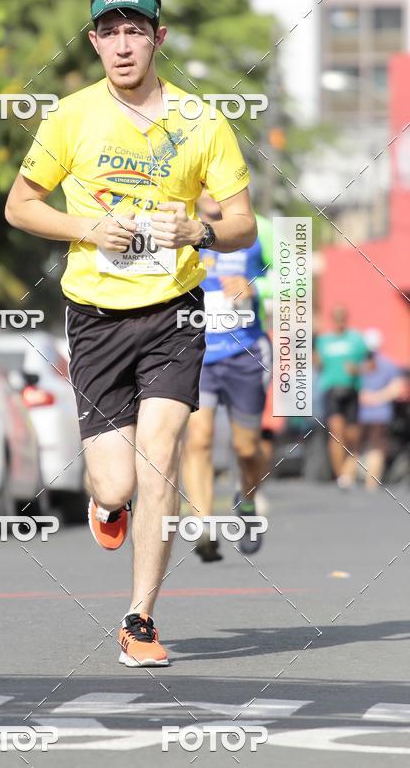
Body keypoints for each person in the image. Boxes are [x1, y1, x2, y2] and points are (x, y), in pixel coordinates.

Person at [5, 0, 257, 667]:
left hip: (175, 313)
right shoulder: (70, 117)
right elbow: (19, 206)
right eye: (109, 32)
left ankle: (140, 619)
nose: (122, 45)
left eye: (135, 31)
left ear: (158, 38)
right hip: (96, 317)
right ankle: (107, 505)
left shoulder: (202, 122)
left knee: (161, 458)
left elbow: (242, 222)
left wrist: (199, 232)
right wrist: (87, 227)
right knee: (116, 483)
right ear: (94, 42)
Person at [182, 192, 273, 562]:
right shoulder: (180, 223)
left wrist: (255, 286)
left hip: (246, 353)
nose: (211, 193)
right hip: (199, 351)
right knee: (198, 438)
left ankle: (247, 504)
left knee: (246, 449)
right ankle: (203, 524)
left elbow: (296, 279)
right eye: (204, 184)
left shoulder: (259, 226)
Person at [314, 306, 369, 488]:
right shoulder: (323, 340)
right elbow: (316, 361)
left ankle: (350, 464)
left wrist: (358, 369)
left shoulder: (356, 339)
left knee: (351, 435)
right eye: (336, 318)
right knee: (336, 431)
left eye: (342, 318)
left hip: (351, 389)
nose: (340, 322)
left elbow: (371, 364)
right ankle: (341, 476)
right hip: (331, 389)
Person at [357, 329, 403, 490]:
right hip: (380, 413)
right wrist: (378, 398)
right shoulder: (389, 364)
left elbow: (352, 387)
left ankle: (347, 479)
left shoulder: (359, 364)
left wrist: (366, 397)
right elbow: (396, 389)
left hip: (361, 413)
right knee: (376, 448)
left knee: (357, 447)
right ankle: (371, 484)